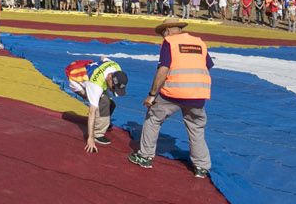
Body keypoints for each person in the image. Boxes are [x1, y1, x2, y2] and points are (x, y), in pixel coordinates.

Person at [129, 15, 213, 179]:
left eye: (163, 34)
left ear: (167, 31)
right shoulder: (199, 43)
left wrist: (152, 95)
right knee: (196, 128)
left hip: (173, 93)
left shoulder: (170, 43)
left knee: (153, 119)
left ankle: (145, 156)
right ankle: (201, 166)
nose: (163, 37)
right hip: (198, 94)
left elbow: (163, 70)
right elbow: (207, 65)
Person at [66, 57, 127, 152]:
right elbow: (91, 112)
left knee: (111, 104)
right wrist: (90, 138)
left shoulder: (116, 67)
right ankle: (97, 134)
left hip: (88, 70)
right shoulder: (95, 85)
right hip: (76, 80)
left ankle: (103, 122)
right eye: (114, 87)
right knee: (103, 102)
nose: (114, 90)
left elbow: (103, 57)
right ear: (110, 78)